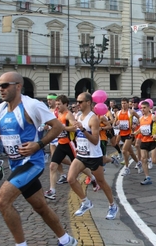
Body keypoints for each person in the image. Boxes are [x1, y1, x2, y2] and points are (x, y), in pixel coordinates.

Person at [0, 71, 77, 246]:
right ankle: (66, 240)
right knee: (40, 207)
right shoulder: (0, 109)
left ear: (18, 86)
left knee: (2, 201)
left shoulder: (32, 105)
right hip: (16, 164)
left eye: (4, 85)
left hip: (32, 163)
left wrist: (38, 144)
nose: (0, 89)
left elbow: (57, 126)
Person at [68, 92, 118, 220]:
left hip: (94, 156)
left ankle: (112, 206)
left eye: (80, 102)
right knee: (70, 179)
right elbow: (76, 130)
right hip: (81, 154)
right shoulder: (79, 116)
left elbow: (95, 141)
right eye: (77, 101)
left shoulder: (93, 119)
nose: (77, 104)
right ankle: (85, 202)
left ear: (88, 102)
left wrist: (83, 130)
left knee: (101, 181)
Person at [44, 95, 78, 200]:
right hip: (60, 143)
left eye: (59, 104)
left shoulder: (68, 115)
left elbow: (75, 128)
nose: (57, 106)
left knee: (81, 166)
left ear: (66, 104)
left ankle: (93, 178)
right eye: (57, 104)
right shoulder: (58, 114)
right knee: (52, 166)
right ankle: (52, 191)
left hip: (70, 144)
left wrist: (63, 127)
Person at [132, 101, 156, 185]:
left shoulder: (153, 117)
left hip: (153, 141)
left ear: (149, 108)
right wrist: (136, 132)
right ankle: (147, 178)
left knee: (154, 161)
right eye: (141, 108)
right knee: (143, 159)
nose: (142, 110)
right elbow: (142, 128)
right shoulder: (141, 118)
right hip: (144, 140)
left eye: (144, 108)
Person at [115, 98, 141, 176]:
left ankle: (127, 168)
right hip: (122, 133)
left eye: (125, 103)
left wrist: (135, 125)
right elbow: (114, 123)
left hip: (129, 134)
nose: (123, 105)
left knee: (124, 150)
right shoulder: (118, 113)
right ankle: (138, 163)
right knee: (131, 152)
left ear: (128, 104)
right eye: (122, 103)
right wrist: (116, 123)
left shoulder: (131, 112)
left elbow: (140, 119)